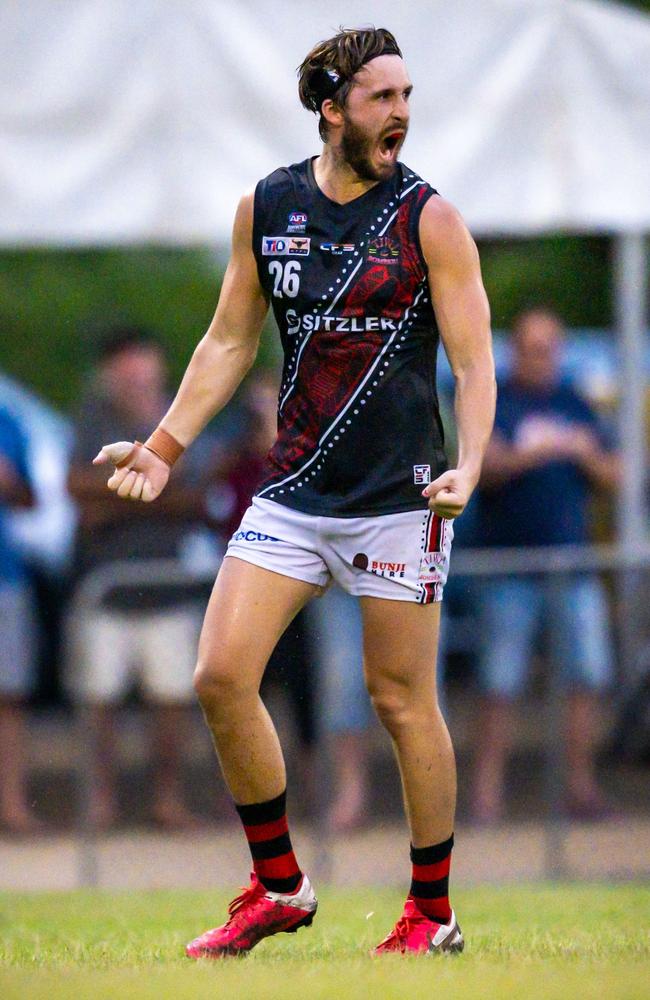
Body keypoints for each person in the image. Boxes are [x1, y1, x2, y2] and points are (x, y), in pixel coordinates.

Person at [95, 27, 495, 956]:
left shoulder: (429, 218)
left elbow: (475, 364)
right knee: (221, 676)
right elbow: (229, 340)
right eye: (381, 97)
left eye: (407, 95)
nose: (401, 113)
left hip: (403, 498)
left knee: (400, 702)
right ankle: (279, 886)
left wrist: (469, 465)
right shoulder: (266, 206)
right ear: (331, 107)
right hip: (295, 491)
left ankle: (431, 913)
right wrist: (166, 443)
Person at [471, 307, 620, 824]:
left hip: (573, 567)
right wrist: (538, 452)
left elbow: (615, 475)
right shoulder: (495, 399)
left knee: (587, 677)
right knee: (499, 682)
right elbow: (482, 470)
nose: (543, 359)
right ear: (515, 349)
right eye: (534, 349)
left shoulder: (574, 401)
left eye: (551, 349)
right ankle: (486, 797)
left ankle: (580, 788)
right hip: (507, 569)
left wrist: (579, 452)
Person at [67, 327, 207, 830]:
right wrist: (155, 494)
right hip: (105, 590)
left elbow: (199, 497)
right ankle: (101, 800)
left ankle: (165, 799)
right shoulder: (92, 419)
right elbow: (75, 490)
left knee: (171, 701)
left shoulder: (180, 417)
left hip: (166, 589)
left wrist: (119, 500)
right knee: (98, 701)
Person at [0, 403, 37, 833]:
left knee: (9, 697)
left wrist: (9, 482)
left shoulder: (9, 419)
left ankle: (12, 805)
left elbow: (32, 500)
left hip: (4, 576)